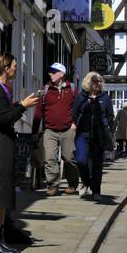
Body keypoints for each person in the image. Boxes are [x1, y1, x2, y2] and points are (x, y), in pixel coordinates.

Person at [0, 53, 40, 253]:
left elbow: (5, 114)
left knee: (3, 195)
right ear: (6, 68)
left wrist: (20, 104)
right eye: (15, 65)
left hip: (3, 144)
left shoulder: (2, 89)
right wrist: (23, 106)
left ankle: (0, 240)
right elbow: (4, 119)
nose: (17, 68)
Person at [32, 63, 78, 196]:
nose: (50, 74)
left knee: (69, 158)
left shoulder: (72, 88)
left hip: (68, 129)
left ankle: (72, 183)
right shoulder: (45, 89)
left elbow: (79, 108)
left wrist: (75, 123)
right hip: (50, 130)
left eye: (53, 72)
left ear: (62, 74)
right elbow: (38, 112)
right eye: (50, 72)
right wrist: (35, 132)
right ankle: (52, 185)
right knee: (49, 157)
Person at [71, 72, 115, 201]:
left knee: (97, 164)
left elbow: (110, 116)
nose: (97, 83)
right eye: (94, 81)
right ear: (88, 82)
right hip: (82, 134)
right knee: (80, 160)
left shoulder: (105, 98)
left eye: (99, 81)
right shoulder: (81, 97)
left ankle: (96, 191)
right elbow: (74, 113)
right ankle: (86, 181)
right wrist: (76, 124)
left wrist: (107, 128)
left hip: (99, 135)